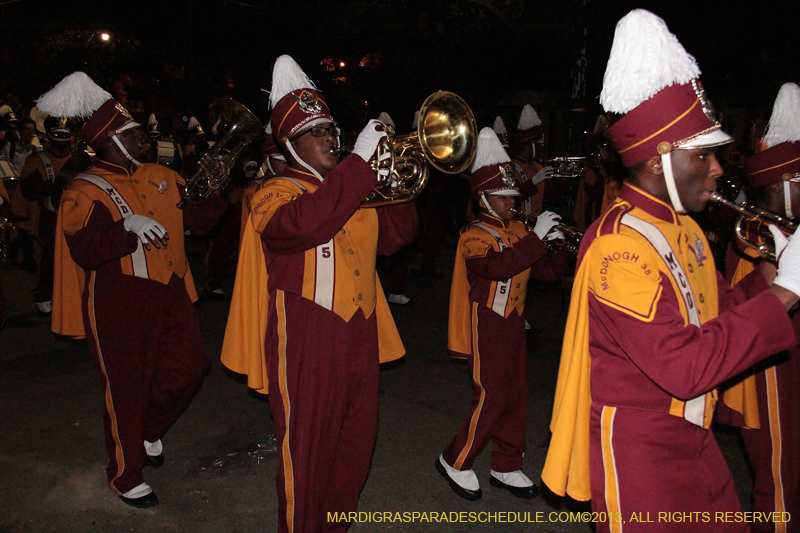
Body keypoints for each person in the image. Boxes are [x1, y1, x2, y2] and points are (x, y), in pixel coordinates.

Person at [541, 11, 800, 532]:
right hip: (640, 455)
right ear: (659, 159)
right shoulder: (619, 246)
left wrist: (773, 275)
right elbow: (683, 366)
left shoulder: (687, 230)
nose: (719, 169)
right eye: (704, 156)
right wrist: (787, 293)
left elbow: (725, 316)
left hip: (693, 437)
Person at [222, 55, 417, 532]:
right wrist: (356, 168)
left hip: (360, 335)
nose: (331, 138)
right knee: (306, 455)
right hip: (305, 339)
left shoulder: (352, 187)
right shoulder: (273, 191)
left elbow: (398, 238)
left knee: (353, 450)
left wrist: (392, 178)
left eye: (333, 129)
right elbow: (301, 226)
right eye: (318, 132)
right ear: (290, 143)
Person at [46, 72, 226, 508]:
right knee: (126, 386)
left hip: (171, 290)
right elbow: (85, 250)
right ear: (109, 140)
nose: (144, 138)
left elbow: (203, 223)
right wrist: (124, 227)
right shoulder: (83, 189)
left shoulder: (162, 174)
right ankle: (125, 475)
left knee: (189, 369)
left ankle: (148, 429)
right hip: (117, 297)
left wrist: (217, 189)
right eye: (133, 133)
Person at [437, 127, 569, 501]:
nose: (514, 202)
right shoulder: (473, 233)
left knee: (515, 394)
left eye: (514, 196)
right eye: (506, 196)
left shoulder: (518, 230)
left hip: (512, 322)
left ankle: (507, 464)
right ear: (484, 198)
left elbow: (545, 274)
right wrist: (535, 240)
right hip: (486, 321)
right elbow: (495, 268)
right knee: (492, 395)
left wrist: (556, 248)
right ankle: (455, 459)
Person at [716, 82, 800, 533]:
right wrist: (782, 264)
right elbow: (744, 305)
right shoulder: (757, 232)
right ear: (787, 184)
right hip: (771, 373)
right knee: (780, 479)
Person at [19, 116, 77, 314]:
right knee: (50, 257)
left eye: (65, 136)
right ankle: (44, 294)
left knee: (75, 257)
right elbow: (27, 189)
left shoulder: (78, 161)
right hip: (49, 214)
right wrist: (47, 188)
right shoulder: (36, 159)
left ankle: (70, 295)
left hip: (75, 214)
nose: (61, 141)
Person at [509, 104, 554, 218]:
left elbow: (551, 196)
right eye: (538, 145)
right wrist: (533, 181)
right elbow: (513, 197)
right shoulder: (511, 168)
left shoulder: (537, 167)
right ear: (530, 146)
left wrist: (562, 176)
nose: (540, 148)